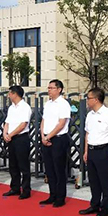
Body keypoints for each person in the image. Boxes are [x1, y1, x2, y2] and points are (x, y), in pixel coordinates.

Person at [79, 88, 108, 216]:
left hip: (104, 150)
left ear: (96, 99)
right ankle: (94, 204)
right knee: (93, 180)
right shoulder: (90, 115)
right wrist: (86, 151)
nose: (87, 100)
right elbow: (87, 133)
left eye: (89, 98)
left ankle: (105, 207)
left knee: (105, 181)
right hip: (92, 150)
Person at [40, 79, 71, 208]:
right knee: (49, 169)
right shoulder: (48, 104)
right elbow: (43, 121)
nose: (49, 90)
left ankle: (60, 197)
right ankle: (52, 194)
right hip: (46, 138)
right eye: (48, 88)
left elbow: (61, 124)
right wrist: (43, 136)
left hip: (58, 139)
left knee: (59, 169)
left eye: (52, 88)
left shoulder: (63, 104)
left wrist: (49, 137)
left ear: (59, 89)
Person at [3, 85, 33, 200]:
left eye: (10, 93)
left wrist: (10, 134)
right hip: (11, 138)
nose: (8, 95)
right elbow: (7, 122)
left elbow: (23, 125)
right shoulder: (11, 108)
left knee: (23, 165)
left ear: (15, 94)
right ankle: (15, 187)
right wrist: (5, 133)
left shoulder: (25, 107)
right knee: (13, 164)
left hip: (21, 138)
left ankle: (26, 190)